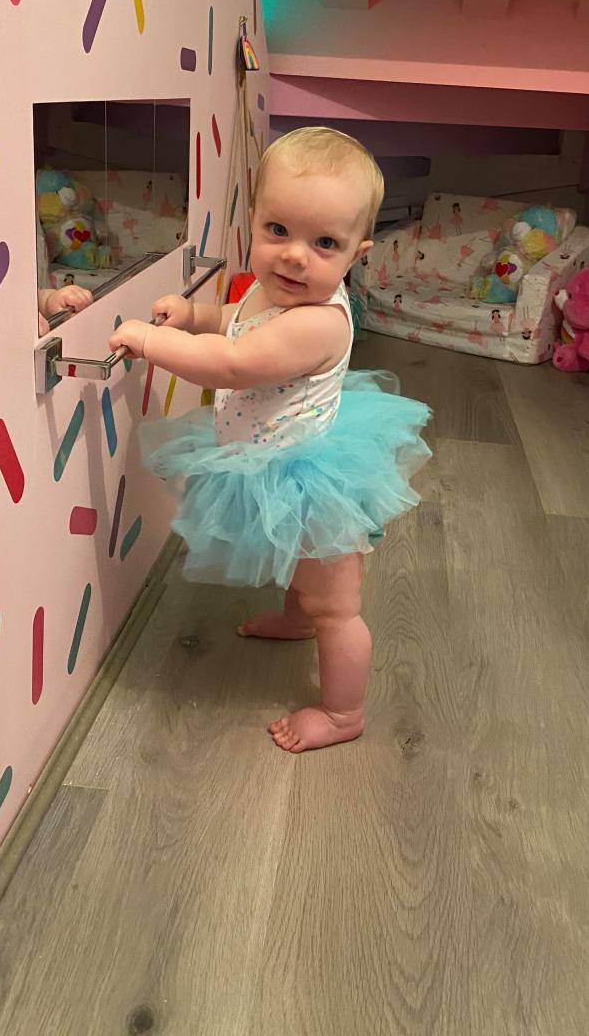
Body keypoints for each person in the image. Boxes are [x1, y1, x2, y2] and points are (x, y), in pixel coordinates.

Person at [110, 127, 431, 752]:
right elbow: (233, 324)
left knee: (335, 604)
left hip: (310, 476)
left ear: (356, 254)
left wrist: (151, 341)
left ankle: (343, 713)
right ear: (251, 220)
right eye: (278, 231)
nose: (293, 257)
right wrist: (193, 316)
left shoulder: (316, 322)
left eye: (324, 243)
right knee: (296, 569)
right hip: (267, 457)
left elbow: (233, 364)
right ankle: (294, 618)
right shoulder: (270, 289)